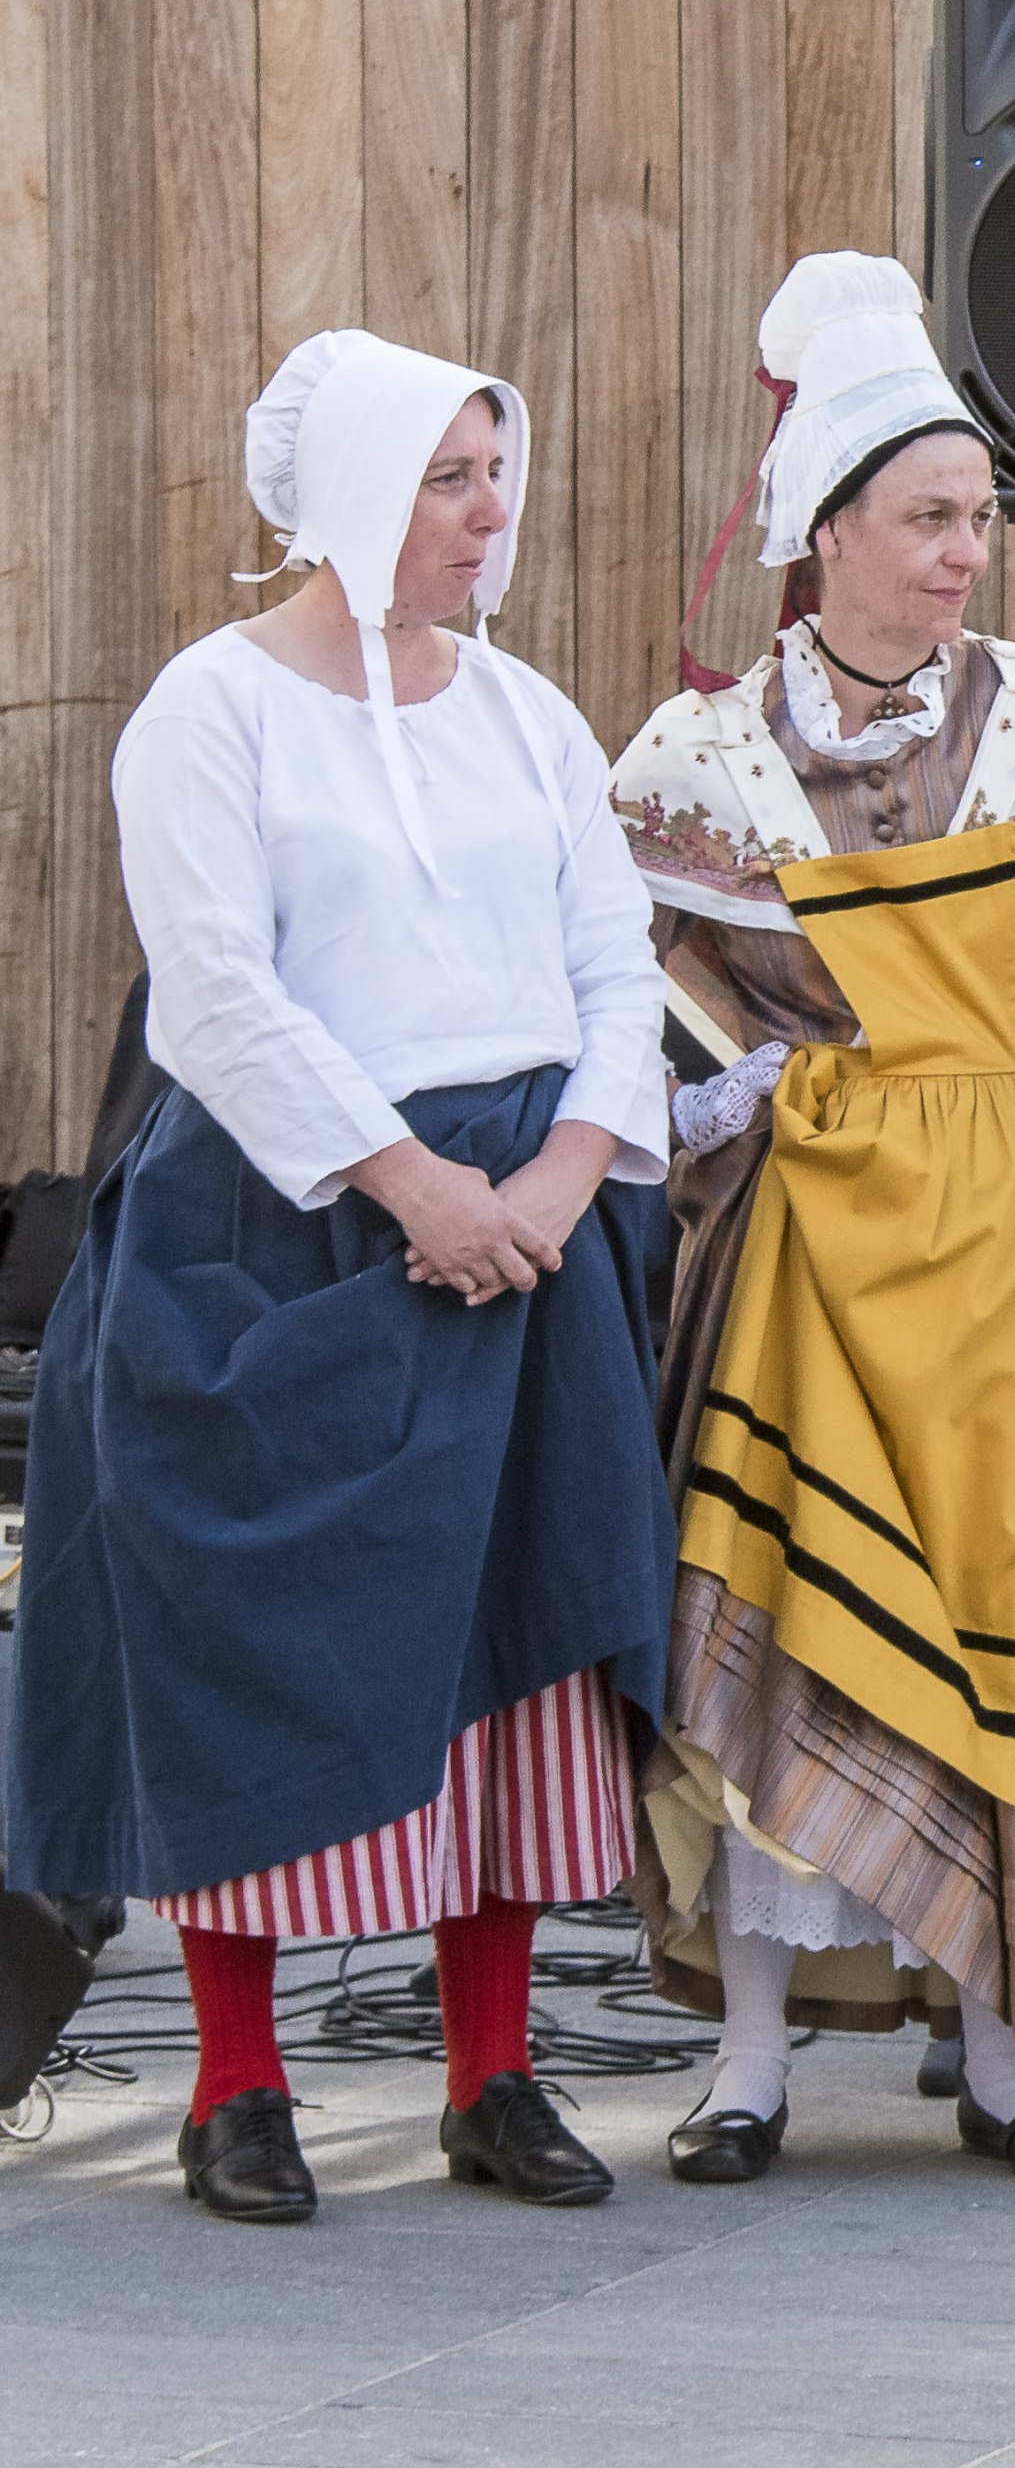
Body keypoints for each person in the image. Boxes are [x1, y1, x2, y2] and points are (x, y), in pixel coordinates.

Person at [8, 332, 676, 2223]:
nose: (492, 510)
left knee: (511, 1642)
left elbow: (615, 963)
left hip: (528, 1225)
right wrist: (412, 1188)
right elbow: (217, 992)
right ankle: (238, 2082)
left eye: (495, 470)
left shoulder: (530, 713)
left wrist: (552, 1173)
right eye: (455, 477)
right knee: (253, 1642)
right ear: (359, 495)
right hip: (284, 1224)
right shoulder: (208, 711)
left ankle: (496, 2066)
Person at [610, 252, 1015, 2188]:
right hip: (798, 1257)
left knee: (1013, 1613)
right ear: (829, 536)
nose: (968, 553)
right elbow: (623, 1012)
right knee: (792, 1622)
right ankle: (753, 2064)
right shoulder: (702, 754)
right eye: (932, 520)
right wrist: (719, 1098)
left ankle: (1009, 2049)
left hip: (1013, 1241)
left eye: (979, 519)